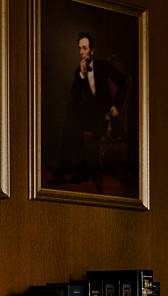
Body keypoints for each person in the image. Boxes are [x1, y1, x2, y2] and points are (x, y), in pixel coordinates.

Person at [53, 32, 127, 189]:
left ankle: (70, 168)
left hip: (105, 115)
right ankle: (77, 169)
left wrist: (116, 106)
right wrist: (81, 76)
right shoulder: (77, 71)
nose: (81, 52)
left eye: (84, 48)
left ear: (92, 51)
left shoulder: (103, 66)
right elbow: (74, 99)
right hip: (90, 116)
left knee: (72, 120)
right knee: (71, 114)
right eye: (79, 48)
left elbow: (123, 83)